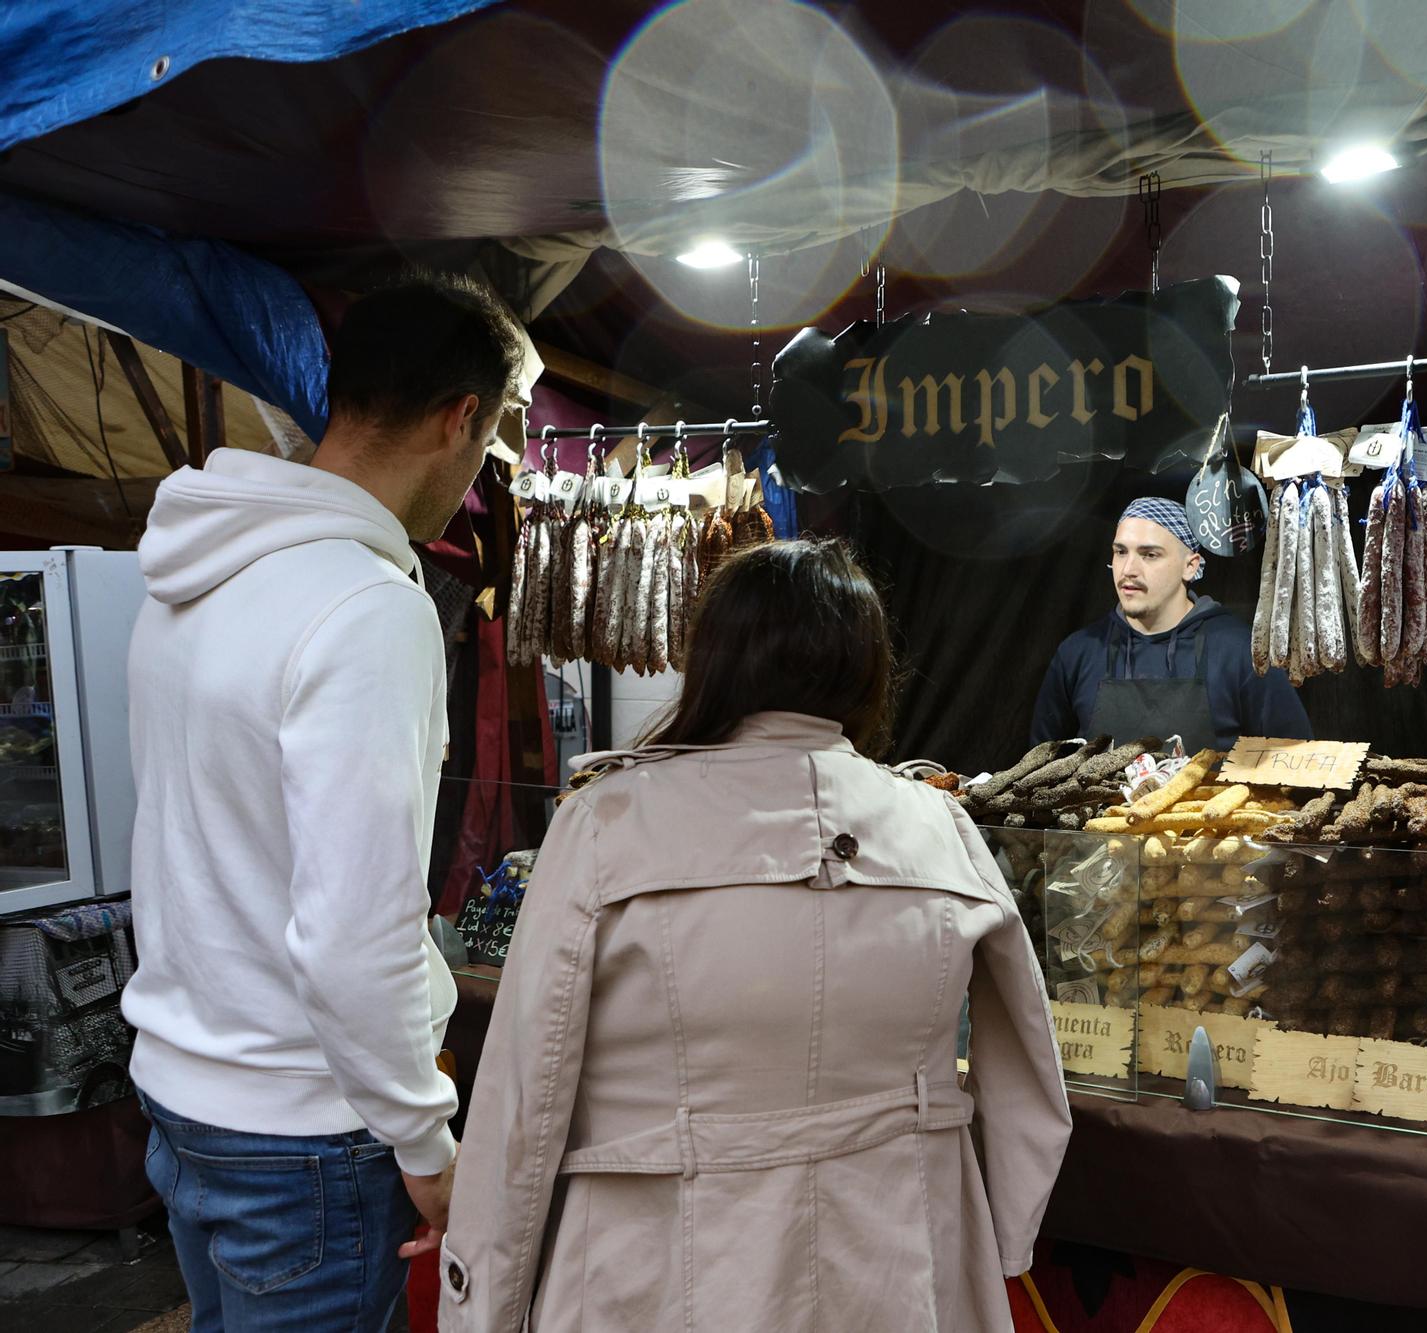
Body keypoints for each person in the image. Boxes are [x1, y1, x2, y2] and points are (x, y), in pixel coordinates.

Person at [441, 540, 1071, 1333]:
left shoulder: (608, 824)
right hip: (900, 1271)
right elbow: (1029, 1076)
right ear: (868, 669)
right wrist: (1002, 1238)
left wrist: (481, 1304)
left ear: (715, 659)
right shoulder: (939, 828)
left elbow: (520, 1104)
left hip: (652, 1279)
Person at [122, 271, 525, 1330]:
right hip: (304, 1135)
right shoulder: (365, 608)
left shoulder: (191, 575)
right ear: (461, 419)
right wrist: (429, 1141)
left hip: (185, 1097)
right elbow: (356, 932)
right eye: (486, 445)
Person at [1032, 497, 1311, 749]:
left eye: (1149, 555)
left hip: (1208, 807)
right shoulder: (1078, 653)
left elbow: (1293, 762)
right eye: (1120, 552)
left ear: (1190, 566)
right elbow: (1039, 768)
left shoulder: (1240, 652)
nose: (1128, 570)